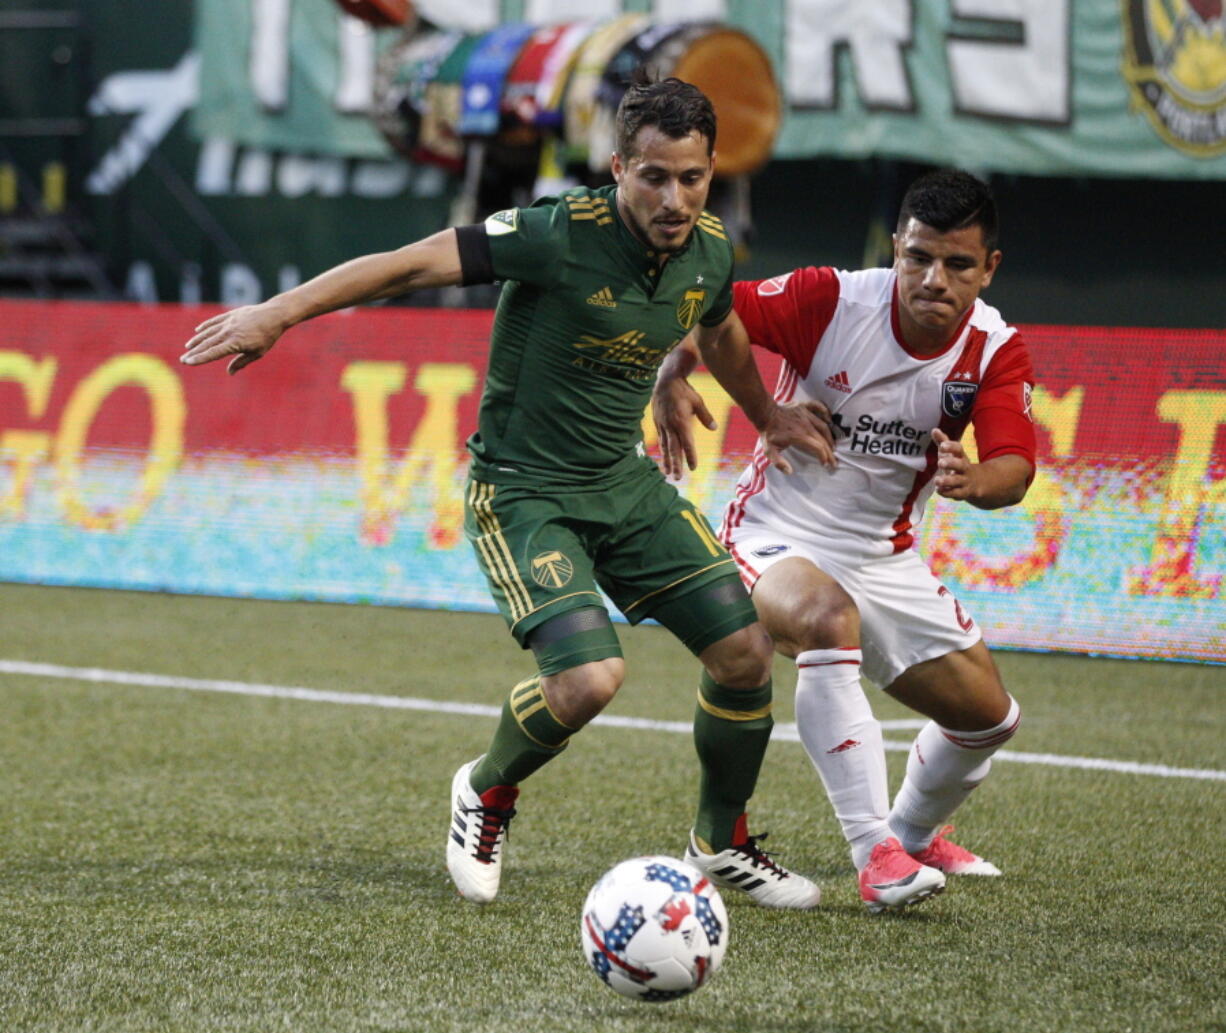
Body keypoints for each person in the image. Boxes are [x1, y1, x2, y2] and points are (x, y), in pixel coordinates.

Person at [181, 75, 834, 908]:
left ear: (712, 172)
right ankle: (485, 790)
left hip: (624, 485)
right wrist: (282, 311)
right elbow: (410, 262)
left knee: (745, 655)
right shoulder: (555, 233)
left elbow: (718, 327)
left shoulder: (706, 247)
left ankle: (720, 840)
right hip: (524, 494)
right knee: (590, 681)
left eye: (693, 178)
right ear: (617, 167)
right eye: (654, 177)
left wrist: (759, 410)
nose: (675, 198)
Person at [652, 169, 1035, 914]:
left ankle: (913, 834)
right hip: (775, 534)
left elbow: (1016, 469)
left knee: (988, 718)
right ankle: (875, 854)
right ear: (896, 247)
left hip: (884, 554)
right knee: (829, 619)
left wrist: (975, 478)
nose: (933, 278)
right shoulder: (833, 298)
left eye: (957, 264)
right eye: (918, 257)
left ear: (989, 268)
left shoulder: (994, 349)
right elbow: (710, 304)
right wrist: (675, 368)